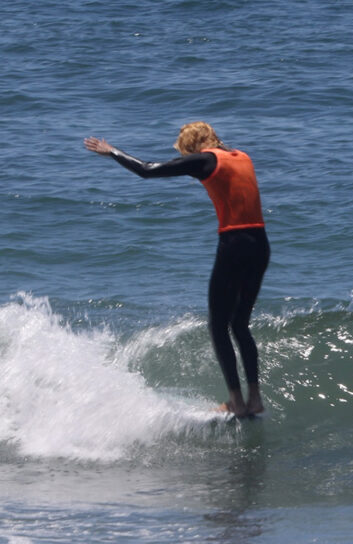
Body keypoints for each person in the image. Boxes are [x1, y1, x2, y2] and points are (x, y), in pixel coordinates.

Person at [84, 122, 270, 418]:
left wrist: (112, 152)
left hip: (234, 243)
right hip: (260, 244)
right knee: (240, 325)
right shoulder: (242, 156)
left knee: (218, 325)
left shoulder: (205, 159)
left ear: (193, 146)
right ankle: (255, 398)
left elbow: (147, 169)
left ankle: (236, 400)